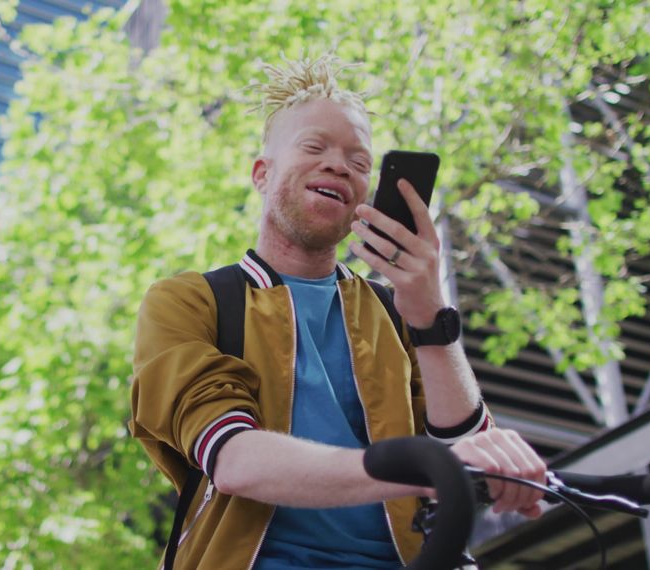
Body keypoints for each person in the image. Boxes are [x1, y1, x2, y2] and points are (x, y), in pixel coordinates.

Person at [129, 54, 546, 569]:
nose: (339, 165)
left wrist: (429, 314)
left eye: (360, 160)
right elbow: (234, 459)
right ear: (262, 174)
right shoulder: (191, 301)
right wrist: (429, 468)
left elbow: (473, 462)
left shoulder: (397, 313)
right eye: (314, 146)